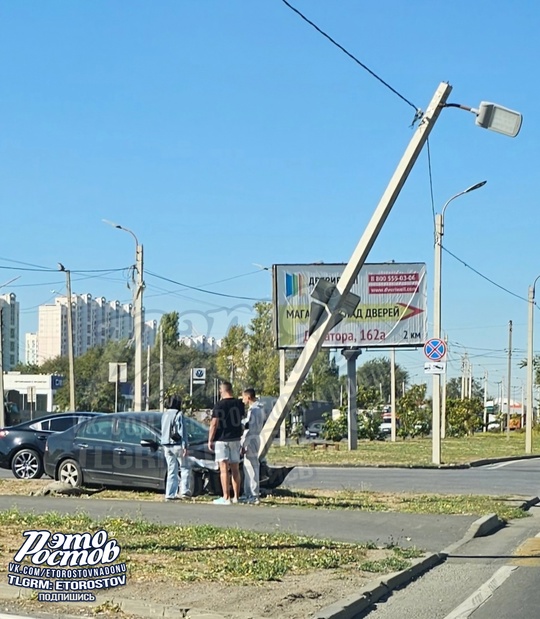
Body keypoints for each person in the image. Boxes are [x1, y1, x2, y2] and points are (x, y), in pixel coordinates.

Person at [208, 381, 245, 505]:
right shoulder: (239, 404)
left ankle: (226, 497)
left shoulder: (219, 405)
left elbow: (214, 423)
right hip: (235, 439)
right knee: (235, 468)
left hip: (221, 440)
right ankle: (236, 496)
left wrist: (210, 439)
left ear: (222, 390)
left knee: (223, 469)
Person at [161, 394, 193, 501]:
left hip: (166, 445)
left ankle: (170, 494)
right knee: (185, 467)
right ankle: (184, 491)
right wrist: (185, 446)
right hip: (178, 444)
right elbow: (182, 431)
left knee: (171, 470)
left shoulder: (164, 415)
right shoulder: (179, 414)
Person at [240, 388, 266, 504]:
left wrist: (243, 444)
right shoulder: (259, 408)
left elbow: (249, 428)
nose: (243, 400)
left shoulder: (254, 410)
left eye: (243, 397)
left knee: (251, 467)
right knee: (249, 466)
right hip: (255, 438)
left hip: (251, 439)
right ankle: (249, 493)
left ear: (248, 397)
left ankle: (253, 494)